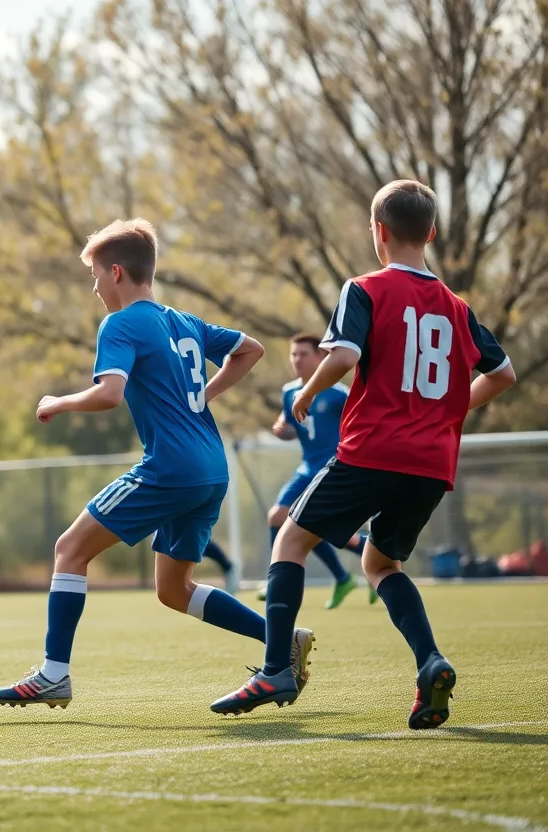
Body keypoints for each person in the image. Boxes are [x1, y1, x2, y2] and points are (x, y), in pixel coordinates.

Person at [211, 180, 516, 729]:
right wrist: (448, 414)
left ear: (378, 231)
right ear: (432, 233)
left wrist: (304, 395)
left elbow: (346, 353)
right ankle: (430, 662)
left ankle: (277, 667)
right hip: (431, 463)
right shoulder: (457, 307)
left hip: (374, 447)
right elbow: (503, 374)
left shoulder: (366, 288)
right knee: (380, 563)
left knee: (291, 538)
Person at [0, 218, 310, 709]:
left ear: (116, 272)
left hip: (171, 469)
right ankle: (282, 639)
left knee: (69, 549)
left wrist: (57, 401)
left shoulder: (120, 323)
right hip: (210, 469)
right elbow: (251, 349)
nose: (94, 287)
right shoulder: (183, 322)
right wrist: (202, 395)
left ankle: (53, 674)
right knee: (173, 589)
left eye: (94, 275)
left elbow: (109, 394)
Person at [261, 333, 372, 608]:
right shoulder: (288, 392)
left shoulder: (338, 395)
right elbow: (288, 424)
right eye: (293, 354)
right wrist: (281, 430)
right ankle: (353, 566)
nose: (297, 360)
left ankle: (365, 559)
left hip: (331, 468)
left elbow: (362, 423)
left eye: (304, 354)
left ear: (321, 357)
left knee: (308, 526)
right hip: (307, 468)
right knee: (278, 517)